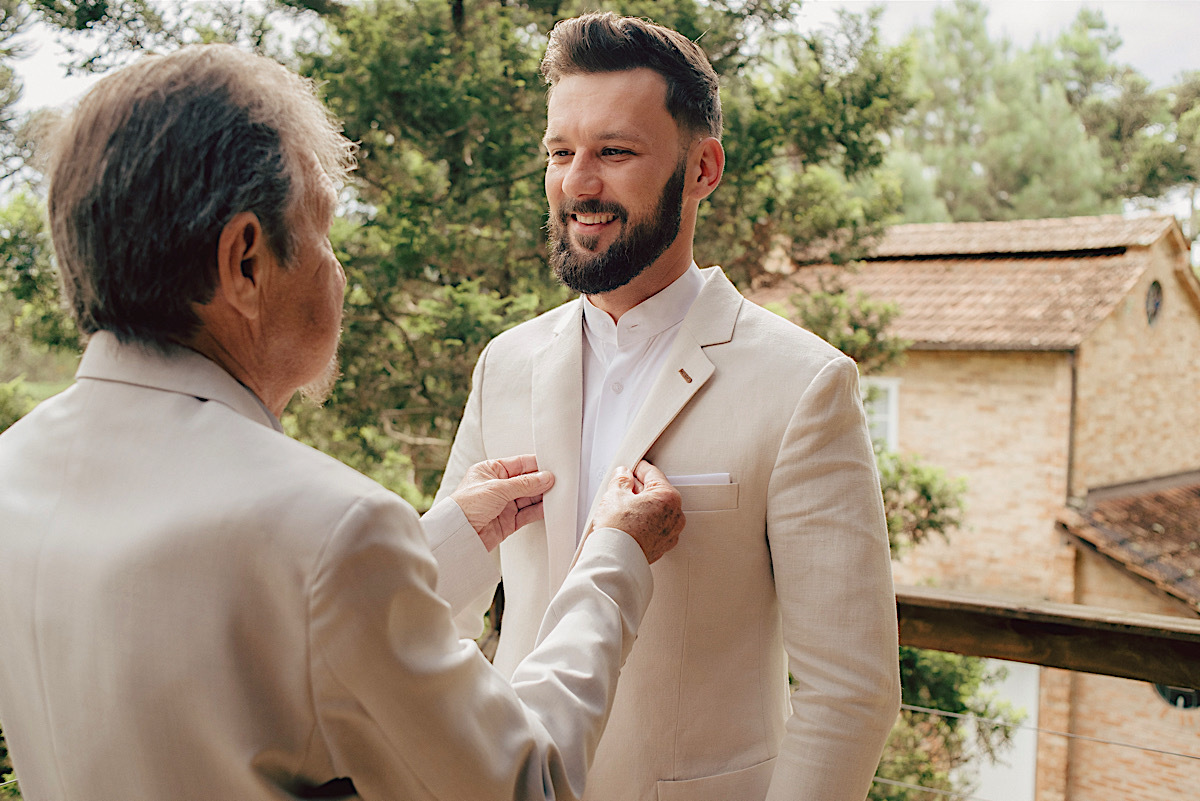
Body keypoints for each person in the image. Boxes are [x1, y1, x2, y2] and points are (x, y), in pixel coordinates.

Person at [0, 43, 686, 801]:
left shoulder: (14, 472)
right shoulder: (330, 526)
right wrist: (614, 561)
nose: (337, 268)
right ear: (247, 263)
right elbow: (528, 781)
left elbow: (267, 641)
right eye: (322, 229)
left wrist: (450, 538)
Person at [433, 13, 900, 801]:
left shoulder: (805, 384)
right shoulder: (504, 363)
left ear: (702, 168)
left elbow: (850, 692)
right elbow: (430, 619)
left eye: (613, 152)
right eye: (560, 153)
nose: (577, 182)